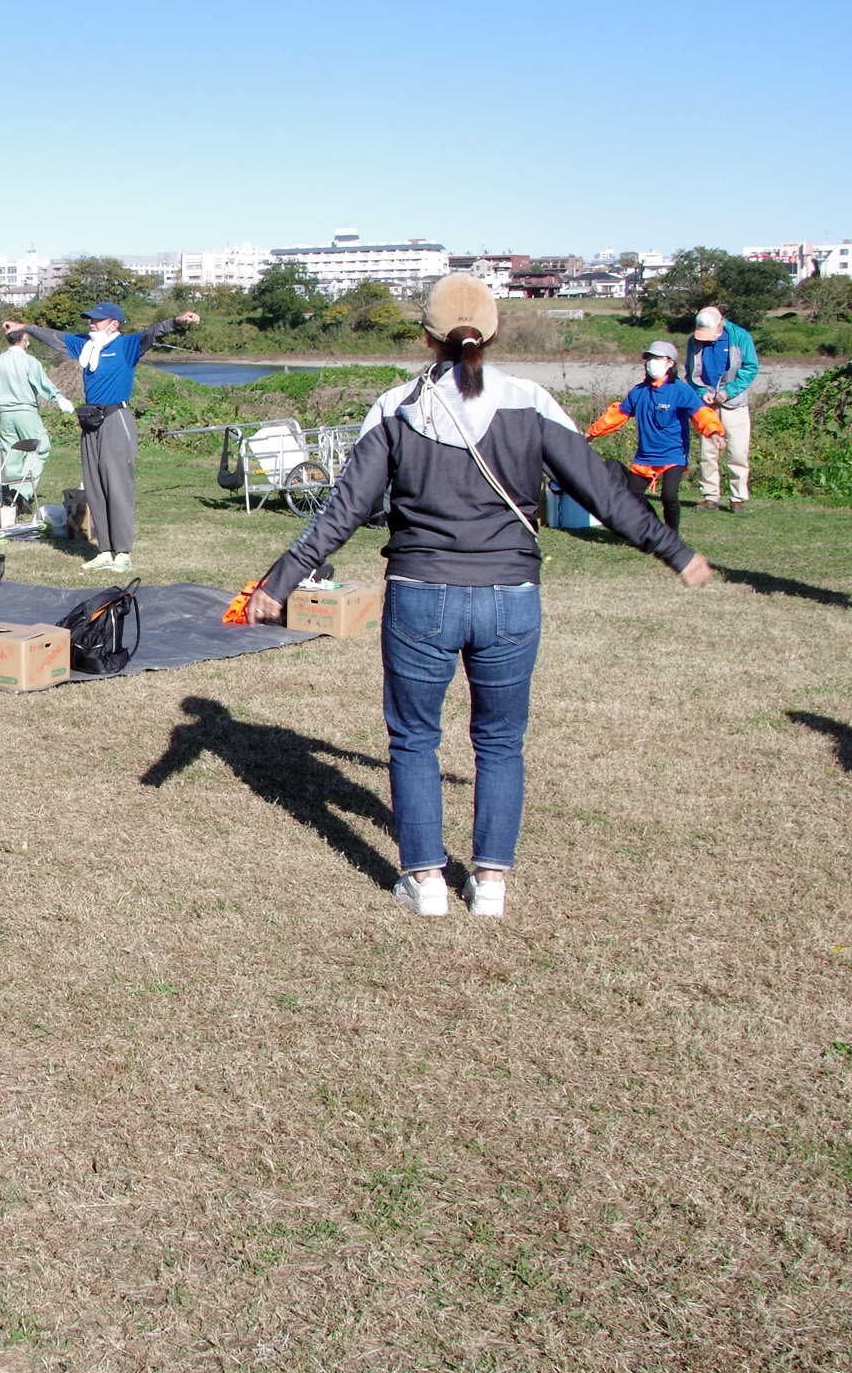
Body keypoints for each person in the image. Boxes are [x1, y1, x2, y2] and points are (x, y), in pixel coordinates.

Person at [244, 274, 711, 919]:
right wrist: (676, 552)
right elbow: (603, 492)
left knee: (414, 740)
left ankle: (426, 882)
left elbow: (344, 510)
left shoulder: (396, 408)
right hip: (512, 598)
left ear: (427, 336)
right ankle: (490, 883)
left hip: (420, 597)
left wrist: (281, 580)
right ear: (491, 334)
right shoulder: (533, 402)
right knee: (500, 741)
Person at [8, 300, 202, 573]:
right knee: (95, 487)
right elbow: (56, 338)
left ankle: (123, 553)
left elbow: (154, 332)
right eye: (90, 319)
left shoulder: (126, 345)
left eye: (97, 320)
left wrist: (178, 321)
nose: (91, 323)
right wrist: (25, 326)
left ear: (114, 324)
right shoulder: (86, 346)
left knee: (117, 487)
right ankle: (105, 551)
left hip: (115, 420)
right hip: (91, 422)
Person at [585, 341, 722, 533]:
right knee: (632, 495)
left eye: (657, 358)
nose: (651, 363)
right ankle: (656, 529)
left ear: (670, 363)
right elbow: (617, 415)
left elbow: (701, 413)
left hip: (673, 453)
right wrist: (592, 433)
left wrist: (714, 431)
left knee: (669, 496)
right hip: (646, 455)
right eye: (649, 358)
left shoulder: (681, 390)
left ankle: (671, 536)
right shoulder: (639, 392)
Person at [0, 328, 76, 504]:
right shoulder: (29, 361)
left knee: (13, 454)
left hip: (5, 414)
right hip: (25, 411)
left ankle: (14, 492)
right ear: (24, 338)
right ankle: (23, 493)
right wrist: (59, 398)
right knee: (41, 448)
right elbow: (43, 384)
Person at [687, 304, 760, 512]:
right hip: (707, 406)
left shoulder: (740, 336)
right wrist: (702, 392)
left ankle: (737, 497)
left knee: (737, 452)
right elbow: (691, 373)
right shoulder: (694, 340)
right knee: (707, 452)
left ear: (721, 322)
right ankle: (709, 497)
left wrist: (729, 391)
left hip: (734, 404)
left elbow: (750, 367)